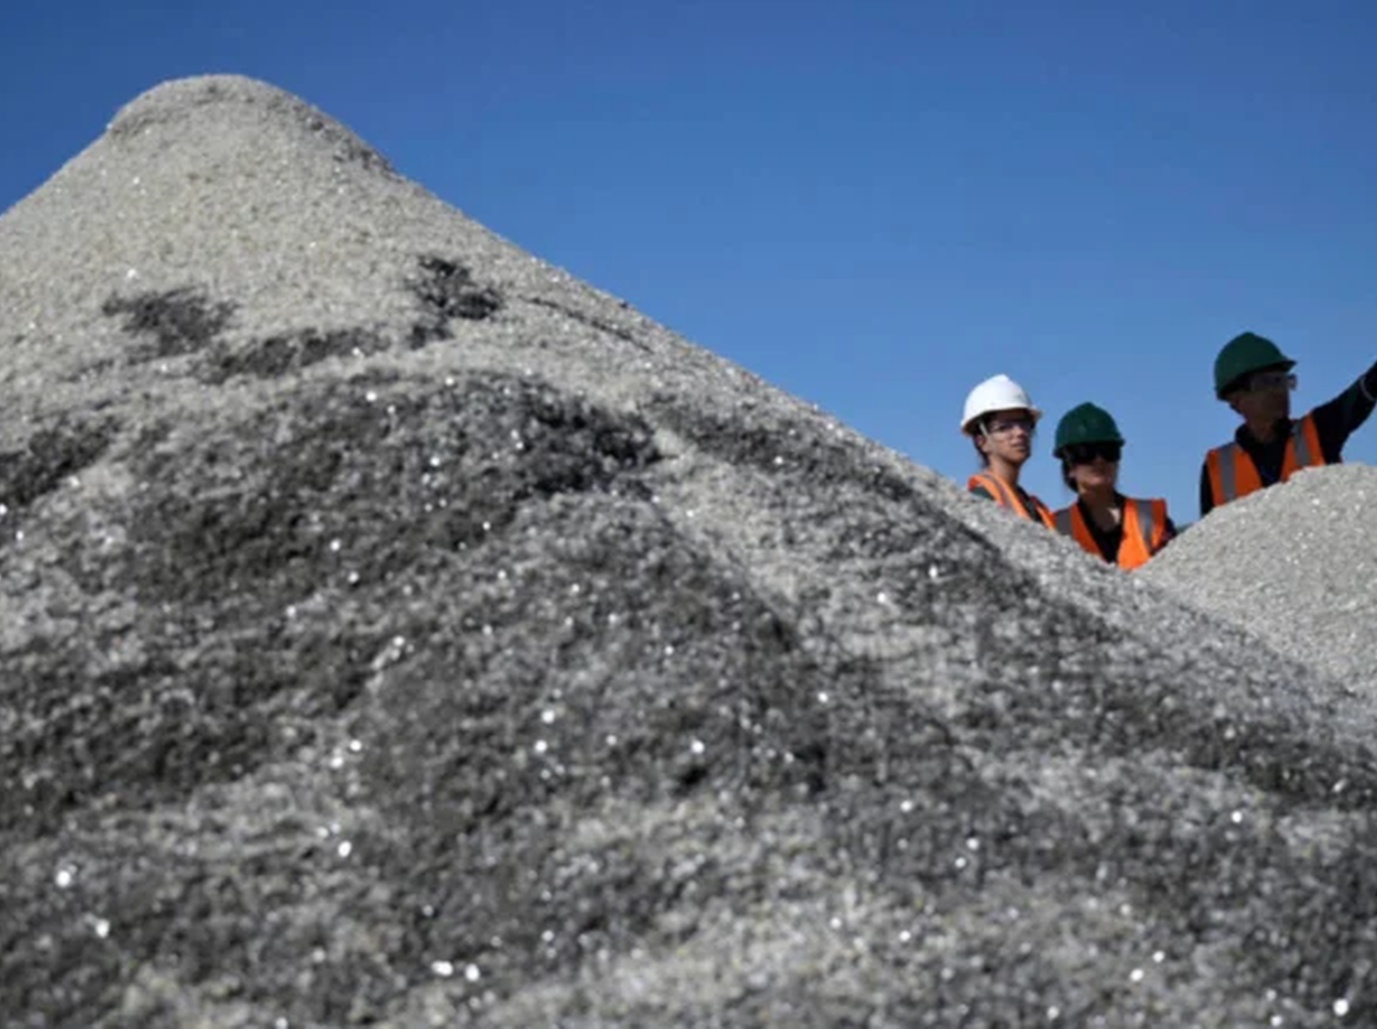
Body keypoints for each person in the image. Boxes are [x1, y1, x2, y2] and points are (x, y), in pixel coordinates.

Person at [1201, 332, 1377, 517]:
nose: (1279, 391)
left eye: (1283, 380)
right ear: (1235, 400)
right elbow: (1207, 540)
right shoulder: (1217, 468)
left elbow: (1362, 393)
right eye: (1265, 382)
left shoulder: (1318, 431)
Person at [1051, 403, 1175, 570]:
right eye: (1086, 452)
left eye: (1108, 450)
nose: (1099, 460)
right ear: (1069, 468)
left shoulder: (1152, 518)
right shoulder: (1055, 529)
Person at [962, 373, 1054, 527]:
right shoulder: (980, 502)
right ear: (982, 442)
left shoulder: (1035, 508)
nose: (1020, 433)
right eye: (1004, 427)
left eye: (1024, 423)